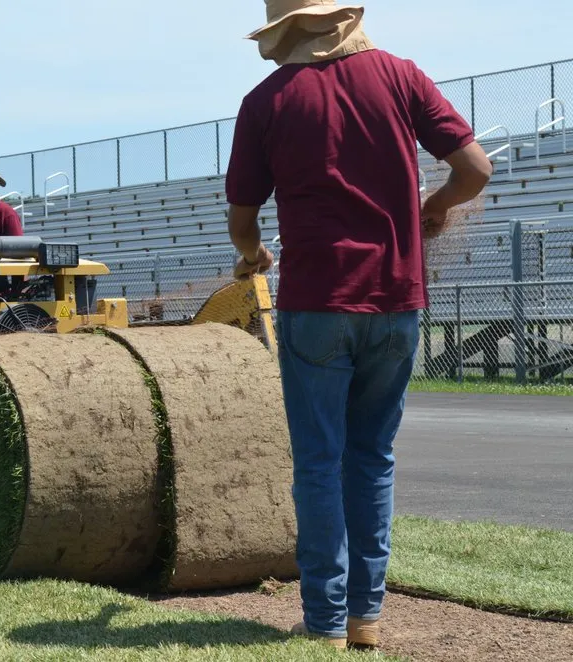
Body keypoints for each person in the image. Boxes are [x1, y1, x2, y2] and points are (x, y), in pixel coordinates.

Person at [225, 0, 492, 650]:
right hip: (397, 301)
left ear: (285, 27)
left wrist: (252, 254)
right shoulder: (401, 76)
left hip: (316, 302)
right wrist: (431, 206)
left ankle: (323, 622)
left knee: (319, 462)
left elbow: (242, 212)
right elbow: (476, 170)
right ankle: (365, 618)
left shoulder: (267, 100)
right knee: (372, 459)